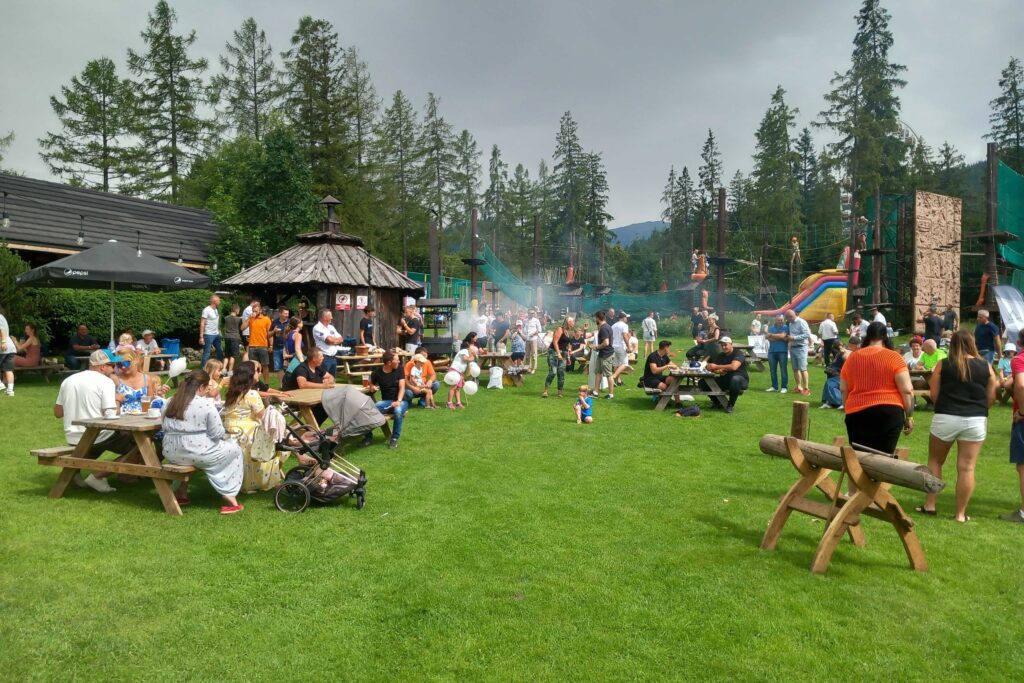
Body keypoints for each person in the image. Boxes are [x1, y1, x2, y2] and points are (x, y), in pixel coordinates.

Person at [916, 331, 997, 522]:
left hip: (946, 416)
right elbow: (991, 397)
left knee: (935, 461)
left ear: (952, 344)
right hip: (975, 419)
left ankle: (930, 505)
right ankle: (960, 514)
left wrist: (944, 407)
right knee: (967, 468)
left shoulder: (943, 364)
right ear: (972, 344)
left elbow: (934, 394)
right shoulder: (985, 366)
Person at [160, 370, 244, 514]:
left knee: (192, 458)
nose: (208, 390)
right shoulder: (205, 404)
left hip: (172, 452)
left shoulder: (170, 401)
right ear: (201, 387)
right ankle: (230, 496)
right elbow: (217, 433)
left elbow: (163, 425)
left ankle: (181, 492)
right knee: (235, 450)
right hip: (198, 452)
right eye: (207, 387)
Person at [53, 349, 137, 492]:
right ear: (103, 367)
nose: (115, 369)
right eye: (112, 365)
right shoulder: (105, 382)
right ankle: (98, 477)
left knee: (97, 441)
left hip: (72, 436)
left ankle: (75, 472)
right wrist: (118, 399)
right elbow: (111, 414)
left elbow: (58, 412)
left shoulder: (68, 380)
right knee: (140, 445)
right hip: (98, 435)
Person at [840, 321, 916, 456]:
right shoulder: (894, 357)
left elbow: (843, 389)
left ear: (867, 336)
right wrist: (909, 416)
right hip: (889, 412)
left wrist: (848, 409)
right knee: (883, 460)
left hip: (857, 413)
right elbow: (907, 391)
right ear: (885, 337)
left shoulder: (852, 358)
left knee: (859, 460)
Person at [222, 361, 285, 493]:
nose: (259, 373)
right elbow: (262, 416)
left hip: (229, 432)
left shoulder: (232, 392)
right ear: (250, 374)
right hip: (248, 431)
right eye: (257, 371)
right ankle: (269, 480)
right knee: (277, 441)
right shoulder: (251, 394)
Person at [1003, 328, 1024, 524]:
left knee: (1023, 466)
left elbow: (1019, 385)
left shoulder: (1019, 359)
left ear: (1019, 343)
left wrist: (1023, 412)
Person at [367, 351, 407, 449]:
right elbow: (371, 383)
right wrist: (372, 387)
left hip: (401, 401)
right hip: (387, 402)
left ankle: (394, 438)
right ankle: (368, 437)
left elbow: (402, 387)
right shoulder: (377, 373)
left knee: (398, 410)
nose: (399, 362)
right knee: (369, 410)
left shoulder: (399, 369)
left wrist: (398, 401)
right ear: (389, 362)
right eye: (397, 360)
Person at [114, 349, 167, 414]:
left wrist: (158, 394)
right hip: (123, 417)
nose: (123, 367)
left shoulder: (147, 379)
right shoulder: (116, 379)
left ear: (136, 361)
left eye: (126, 363)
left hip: (143, 417)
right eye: (119, 364)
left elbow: (150, 402)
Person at [704, 336, 748, 413]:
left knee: (735, 379)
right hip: (726, 379)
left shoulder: (738, 353)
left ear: (731, 344)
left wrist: (717, 367)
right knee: (703, 382)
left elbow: (734, 367)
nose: (723, 347)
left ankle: (730, 405)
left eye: (725, 345)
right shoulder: (721, 355)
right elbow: (711, 368)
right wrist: (716, 370)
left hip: (740, 380)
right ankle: (718, 402)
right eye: (722, 345)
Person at [820, 335, 860, 409]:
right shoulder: (846, 350)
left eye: (851, 345)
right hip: (835, 372)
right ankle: (829, 402)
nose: (849, 346)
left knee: (830, 383)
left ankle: (840, 402)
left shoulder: (852, 352)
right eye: (849, 345)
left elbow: (846, 359)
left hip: (843, 375)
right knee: (830, 383)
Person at [542, 316, 575, 398]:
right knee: (553, 372)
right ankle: (545, 391)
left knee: (561, 372)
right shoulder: (560, 329)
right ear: (568, 322)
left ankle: (559, 392)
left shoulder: (568, 332)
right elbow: (555, 341)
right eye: (573, 321)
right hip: (553, 352)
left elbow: (567, 344)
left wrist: (568, 353)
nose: (574, 323)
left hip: (563, 353)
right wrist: (558, 353)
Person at [785, 309, 811, 396]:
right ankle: (799, 386)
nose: (787, 320)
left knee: (803, 368)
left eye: (788, 318)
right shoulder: (790, 323)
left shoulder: (802, 322)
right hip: (793, 348)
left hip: (801, 348)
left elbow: (807, 334)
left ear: (791, 316)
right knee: (795, 368)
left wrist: (794, 338)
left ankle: (806, 388)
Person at [311, 308, 343, 376]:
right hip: (324, 358)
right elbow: (329, 340)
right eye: (330, 316)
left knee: (332, 378)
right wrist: (334, 340)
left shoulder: (331, 327)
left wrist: (332, 341)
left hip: (333, 357)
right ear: (324, 317)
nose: (332, 317)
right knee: (323, 378)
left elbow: (341, 339)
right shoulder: (317, 328)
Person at [592, 311, 614, 399]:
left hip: (606, 355)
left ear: (598, 318)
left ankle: (611, 394)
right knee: (598, 372)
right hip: (602, 354)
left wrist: (596, 347)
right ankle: (595, 392)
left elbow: (606, 343)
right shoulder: (605, 326)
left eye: (595, 318)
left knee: (609, 374)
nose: (595, 320)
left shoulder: (604, 328)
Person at [765, 314, 789, 393]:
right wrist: (779, 337)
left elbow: (783, 336)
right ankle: (774, 387)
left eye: (781, 320)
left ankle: (784, 387)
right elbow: (768, 338)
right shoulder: (771, 328)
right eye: (778, 320)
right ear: (775, 320)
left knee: (783, 369)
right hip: (772, 351)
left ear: (783, 320)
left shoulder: (786, 327)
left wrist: (772, 335)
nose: (780, 321)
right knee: (772, 370)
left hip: (782, 351)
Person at [198, 295, 223, 366]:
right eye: (219, 300)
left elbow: (215, 322)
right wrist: (201, 336)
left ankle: (219, 367)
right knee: (207, 353)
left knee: (220, 350)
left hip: (216, 334)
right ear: (214, 301)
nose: (220, 301)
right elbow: (202, 323)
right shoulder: (206, 310)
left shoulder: (216, 310)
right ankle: (204, 369)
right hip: (208, 334)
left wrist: (219, 331)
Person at [610, 312, 632, 388]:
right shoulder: (625, 325)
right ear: (623, 318)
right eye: (626, 317)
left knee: (616, 364)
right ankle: (613, 377)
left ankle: (617, 381)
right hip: (621, 346)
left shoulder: (613, 325)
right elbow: (625, 336)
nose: (627, 319)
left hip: (613, 346)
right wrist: (628, 346)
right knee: (625, 364)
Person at [0, 306, 17, 395]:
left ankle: (0, 384)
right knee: (8, 369)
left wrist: (3, 342)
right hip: (10, 347)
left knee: (8, 369)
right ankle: (10, 390)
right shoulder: (3, 318)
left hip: (3, 347)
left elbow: (2, 330)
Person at [222, 304, 242, 375]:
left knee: (226, 355)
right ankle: (230, 371)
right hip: (235, 337)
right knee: (232, 355)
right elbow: (241, 328)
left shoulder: (226, 318)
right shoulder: (239, 319)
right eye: (238, 310)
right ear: (236, 310)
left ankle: (224, 369)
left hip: (227, 337)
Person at [270, 306, 290, 376]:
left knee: (288, 367)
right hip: (277, 348)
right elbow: (268, 334)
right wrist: (274, 331)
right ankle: (281, 383)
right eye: (285, 313)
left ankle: (288, 382)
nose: (287, 315)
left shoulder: (290, 322)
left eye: (288, 314)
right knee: (278, 368)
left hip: (287, 348)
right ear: (280, 313)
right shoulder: (274, 322)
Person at [524, 309, 543, 374]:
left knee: (534, 354)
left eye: (533, 313)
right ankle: (528, 368)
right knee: (527, 355)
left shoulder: (536, 320)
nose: (532, 314)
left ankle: (534, 368)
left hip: (533, 339)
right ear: (528, 313)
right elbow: (524, 329)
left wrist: (533, 334)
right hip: (527, 339)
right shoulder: (525, 320)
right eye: (530, 313)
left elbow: (539, 330)